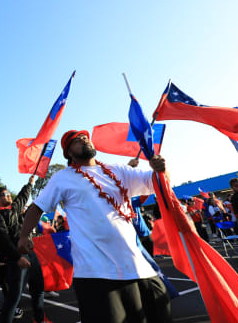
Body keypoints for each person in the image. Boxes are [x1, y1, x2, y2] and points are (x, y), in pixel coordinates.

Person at [18, 130, 172, 323]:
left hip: (138, 268)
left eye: (85, 137)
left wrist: (161, 169)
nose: (84, 140)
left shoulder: (117, 170)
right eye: (77, 140)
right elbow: (36, 208)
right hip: (96, 273)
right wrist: (24, 236)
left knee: (161, 315)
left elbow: (157, 181)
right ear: (69, 153)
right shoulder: (62, 178)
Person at [0, 176, 50, 323]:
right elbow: (2, 240)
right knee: (14, 297)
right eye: (5, 194)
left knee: (38, 289)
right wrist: (17, 258)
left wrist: (30, 184)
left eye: (9, 194)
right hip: (17, 258)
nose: (9, 196)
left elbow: (22, 196)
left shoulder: (14, 209)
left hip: (30, 253)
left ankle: (39, 319)